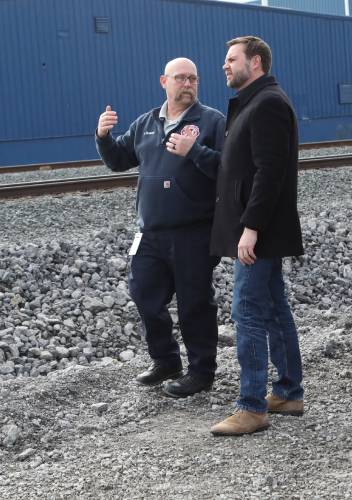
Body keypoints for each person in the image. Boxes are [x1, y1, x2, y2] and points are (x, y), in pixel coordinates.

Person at [96, 58, 225, 397]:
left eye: (193, 78)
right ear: (163, 81)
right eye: (180, 78)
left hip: (193, 232)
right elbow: (117, 161)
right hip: (150, 232)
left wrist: (194, 151)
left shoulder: (211, 122)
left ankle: (201, 371)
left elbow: (229, 170)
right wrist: (103, 136)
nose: (188, 84)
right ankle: (166, 360)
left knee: (194, 304)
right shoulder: (146, 123)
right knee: (144, 294)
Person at [209, 36, 304, 436]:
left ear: (257, 62)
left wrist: (251, 228)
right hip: (256, 228)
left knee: (247, 313)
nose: (225, 66)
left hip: (257, 231)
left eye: (232, 59)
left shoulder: (267, 104)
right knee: (273, 308)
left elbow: (270, 172)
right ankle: (287, 392)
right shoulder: (255, 102)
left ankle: (251, 407)